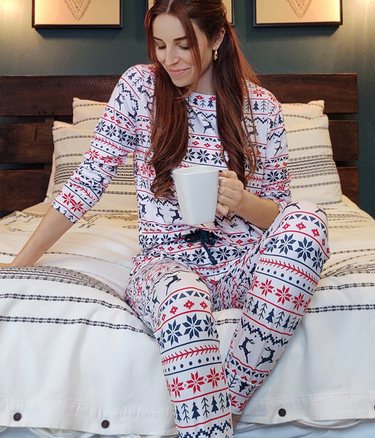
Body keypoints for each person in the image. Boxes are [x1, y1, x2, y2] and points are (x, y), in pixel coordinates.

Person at [0, 1, 330, 437]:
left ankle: (218, 406)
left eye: (182, 45)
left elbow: (277, 213)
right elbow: (86, 182)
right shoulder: (140, 88)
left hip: (243, 264)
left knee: (308, 222)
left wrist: (243, 200)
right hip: (166, 266)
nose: (168, 59)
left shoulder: (262, 108)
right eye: (159, 44)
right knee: (184, 304)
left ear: (216, 39)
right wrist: (20, 263)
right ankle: (219, 419)